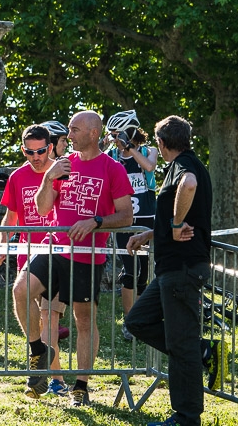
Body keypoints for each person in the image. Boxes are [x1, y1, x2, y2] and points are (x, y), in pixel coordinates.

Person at [23, 110, 133, 407]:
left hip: (87, 255)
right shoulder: (63, 165)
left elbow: (126, 215)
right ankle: (38, 350)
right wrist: (48, 178)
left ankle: (81, 386)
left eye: (73, 130)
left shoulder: (112, 169)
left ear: (93, 133)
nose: (67, 136)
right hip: (54, 248)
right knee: (21, 290)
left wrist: (96, 222)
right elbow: (44, 209)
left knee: (83, 321)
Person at [125, 115, 215, 426]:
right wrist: (152, 232)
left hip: (182, 268)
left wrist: (175, 226)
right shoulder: (185, 163)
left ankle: (186, 418)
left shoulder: (184, 167)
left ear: (162, 144)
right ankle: (200, 349)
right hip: (171, 269)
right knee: (137, 320)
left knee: (181, 346)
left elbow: (188, 186)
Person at [0, 124, 67, 396]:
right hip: (27, 258)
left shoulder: (62, 173)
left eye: (40, 151)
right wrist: (2, 246)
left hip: (58, 254)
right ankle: (44, 365)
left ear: (50, 147)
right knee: (36, 321)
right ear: (23, 150)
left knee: (49, 319)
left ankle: (54, 380)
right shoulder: (17, 177)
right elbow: (11, 217)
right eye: (29, 152)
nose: (35, 157)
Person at [105, 109, 157, 334]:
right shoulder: (111, 156)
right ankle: (128, 321)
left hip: (146, 219)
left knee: (143, 272)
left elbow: (149, 166)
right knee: (130, 270)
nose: (116, 139)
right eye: (113, 135)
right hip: (123, 220)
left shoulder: (148, 150)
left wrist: (130, 148)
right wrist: (104, 142)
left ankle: (140, 317)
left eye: (119, 134)